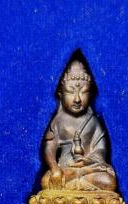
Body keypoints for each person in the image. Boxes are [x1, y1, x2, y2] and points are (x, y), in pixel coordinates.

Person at [41, 52, 117, 192]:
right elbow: (49, 147)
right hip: (64, 170)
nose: (77, 99)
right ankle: (76, 178)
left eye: (83, 92)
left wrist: (88, 161)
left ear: (91, 95)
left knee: (109, 182)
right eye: (70, 92)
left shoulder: (93, 122)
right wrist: (54, 167)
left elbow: (100, 150)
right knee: (46, 181)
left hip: (89, 170)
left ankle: (79, 175)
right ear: (60, 94)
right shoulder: (58, 121)